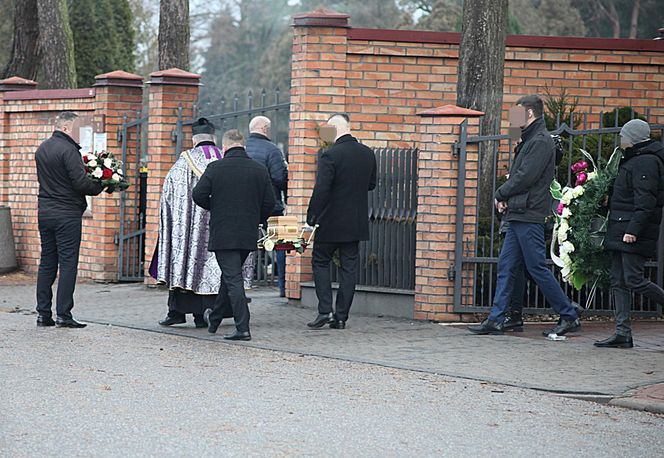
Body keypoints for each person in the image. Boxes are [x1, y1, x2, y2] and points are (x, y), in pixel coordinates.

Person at [468, 95, 579, 336]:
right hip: (520, 213)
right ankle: (497, 318)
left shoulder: (540, 141)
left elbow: (525, 177)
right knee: (507, 267)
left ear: (529, 114)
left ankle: (568, 314)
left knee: (536, 267)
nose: (513, 118)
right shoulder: (531, 140)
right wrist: (507, 198)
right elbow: (522, 177)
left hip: (529, 214)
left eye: (517, 113)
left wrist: (500, 193)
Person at [193, 129, 275, 341]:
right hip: (247, 232)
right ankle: (216, 317)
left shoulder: (215, 167)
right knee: (230, 275)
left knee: (233, 278)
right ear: (243, 145)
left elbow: (198, 194)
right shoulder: (259, 169)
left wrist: (216, 206)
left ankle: (243, 327)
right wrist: (256, 217)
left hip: (224, 231)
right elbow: (269, 203)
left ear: (224, 147)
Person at [595, 119, 664, 348]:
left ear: (633, 138)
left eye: (624, 136)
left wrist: (633, 230)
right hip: (620, 228)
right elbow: (628, 196)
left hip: (630, 231)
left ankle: (623, 331)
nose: (621, 140)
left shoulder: (645, 161)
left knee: (633, 279)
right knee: (618, 280)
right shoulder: (633, 159)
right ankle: (622, 333)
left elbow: (646, 201)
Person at [306, 114, 377, 330]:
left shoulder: (330, 155)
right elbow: (371, 185)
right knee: (349, 268)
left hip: (330, 221)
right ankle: (341, 316)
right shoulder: (367, 154)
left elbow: (322, 189)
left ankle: (325, 310)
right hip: (355, 221)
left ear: (333, 129)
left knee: (320, 261)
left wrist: (312, 216)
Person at [35, 111, 105, 328]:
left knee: (47, 262)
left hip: (45, 212)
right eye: (76, 129)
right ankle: (64, 314)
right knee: (67, 263)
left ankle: (43, 314)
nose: (78, 134)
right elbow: (81, 184)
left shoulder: (42, 148)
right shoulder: (68, 150)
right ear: (65, 128)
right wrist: (102, 184)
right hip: (66, 214)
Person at [155, 118, 224, 328]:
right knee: (213, 266)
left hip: (187, 227)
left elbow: (169, 193)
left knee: (186, 261)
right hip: (218, 225)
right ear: (214, 138)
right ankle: (205, 313)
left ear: (194, 139)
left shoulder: (184, 162)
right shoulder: (224, 159)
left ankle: (177, 312)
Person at [244, 115, 289, 296]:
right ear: (264, 128)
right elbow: (280, 178)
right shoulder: (272, 150)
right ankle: (284, 287)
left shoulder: (242, 148)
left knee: (244, 245)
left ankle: (245, 281)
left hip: (245, 206)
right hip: (273, 206)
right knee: (282, 245)